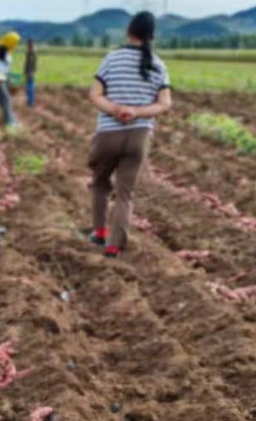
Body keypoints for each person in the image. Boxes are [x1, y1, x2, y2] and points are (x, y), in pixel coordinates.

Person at [88, 11, 171, 257]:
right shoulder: (158, 65)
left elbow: (94, 94)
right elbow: (164, 104)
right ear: (152, 36)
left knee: (100, 183)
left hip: (108, 133)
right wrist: (136, 112)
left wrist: (115, 109)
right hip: (139, 136)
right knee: (125, 193)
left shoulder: (112, 59)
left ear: (129, 31)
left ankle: (99, 232)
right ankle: (115, 245)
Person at [24, 39, 37, 108]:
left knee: (30, 87)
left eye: (28, 44)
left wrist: (29, 72)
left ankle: (31, 102)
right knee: (29, 87)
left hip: (30, 72)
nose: (27, 45)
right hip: (30, 72)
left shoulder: (31, 52)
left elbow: (31, 63)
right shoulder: (30, 52)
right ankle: (29, 101)